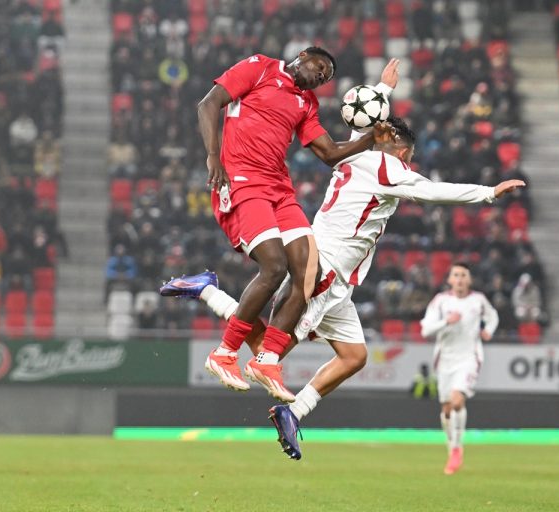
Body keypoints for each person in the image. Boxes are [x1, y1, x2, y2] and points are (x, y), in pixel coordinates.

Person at [162, 117, 525, 459]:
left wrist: (383, 90)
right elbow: (434, 192)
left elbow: (364, 118)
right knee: (264, 350)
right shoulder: (390, 167)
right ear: (401, 152)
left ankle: (293, 412)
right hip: (326, 271)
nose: (409, 166)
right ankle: (207, 290)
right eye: (410, 158)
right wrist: (489, 193)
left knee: (354, 355)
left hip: (337, 276)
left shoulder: (356, 151)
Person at [164, 48, 400, 403]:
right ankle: (224, 353)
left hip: (279, 189)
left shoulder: (306, 105)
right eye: (319, 68)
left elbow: (329, 154)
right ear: (302, 56)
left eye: (325, 77)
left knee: (310, 270)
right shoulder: (259, 68)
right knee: (274, 267)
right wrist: (213, 154)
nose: (320, 77)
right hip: (244, 182)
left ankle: (267, 360)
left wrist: (370, 139)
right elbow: (208, 104)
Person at [421, 263, 499, 475]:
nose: (460, 278)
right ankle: (451, 448)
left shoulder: (479, 300)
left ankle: (457, 449)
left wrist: (488, 330)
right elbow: (426, 329)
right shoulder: (441, 301)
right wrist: (446, 321)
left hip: (469, 357)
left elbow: (493, 316)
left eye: (464, 275)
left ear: (469, 280)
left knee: (457, 400)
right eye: (456, 275)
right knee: (446, 410)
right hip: (445, 359)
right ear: (450, 280)